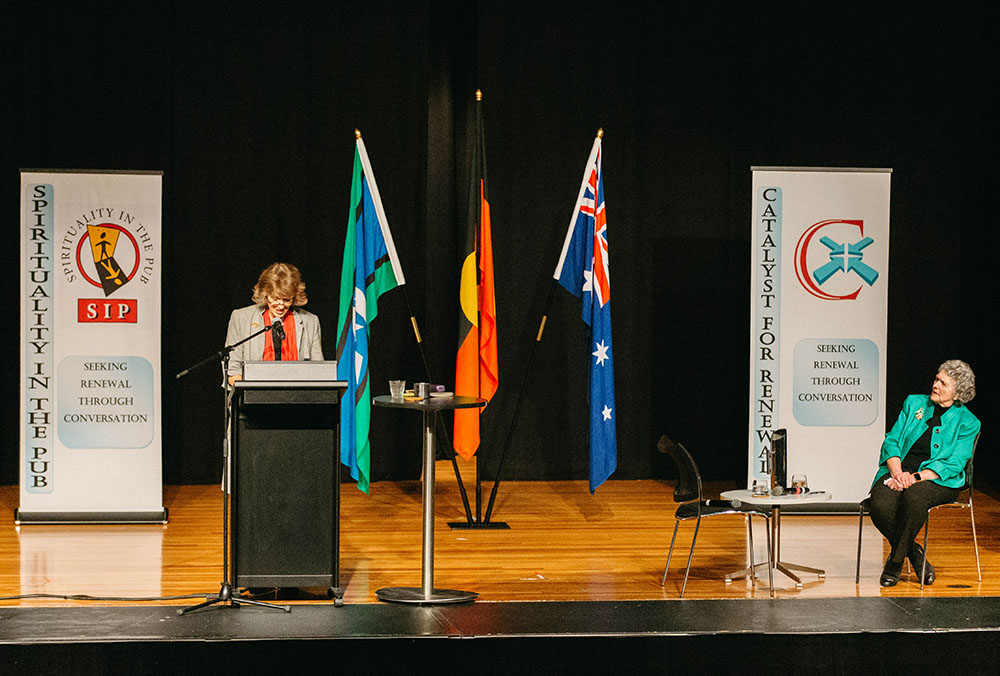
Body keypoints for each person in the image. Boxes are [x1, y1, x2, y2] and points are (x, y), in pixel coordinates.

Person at [868, 359, 980, 587]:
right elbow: (892, 441)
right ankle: (915, 554)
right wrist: (899, 473)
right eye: (937, 379)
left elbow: (954, 463)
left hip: (938, 479)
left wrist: (915, 478)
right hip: (899, 471)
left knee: (914, 497)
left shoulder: (968, 422)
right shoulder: (914, 403)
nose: (936, 385)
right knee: (878, 505)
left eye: (944, 383)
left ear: (957, 394)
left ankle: (895, 563)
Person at [225, 262, 323, 385]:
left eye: (287, 300)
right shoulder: (241, 318)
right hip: (254, 397)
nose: (281, 305)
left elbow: (319, 371)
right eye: (276, 298)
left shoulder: (310, 322)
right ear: (265, 294)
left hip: (298, 397)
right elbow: (234, 370)